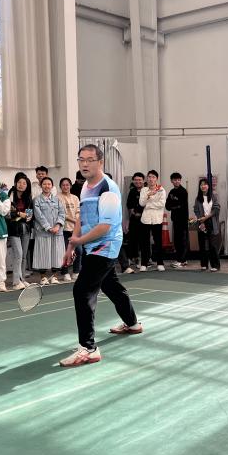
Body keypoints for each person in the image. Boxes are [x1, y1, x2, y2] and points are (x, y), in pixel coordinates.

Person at [59, 144, 142, 367]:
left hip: (105, 246)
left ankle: (88, 349)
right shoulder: (85, 187)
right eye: (81, 159)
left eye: (90, 160)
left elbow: (105, 227)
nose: (84, 164)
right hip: (91, 246)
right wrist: (72, 244)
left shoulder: (108, 189)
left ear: (100, 162)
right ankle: (132, 323)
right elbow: (81, 217)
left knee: (82, 290)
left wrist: (79, 242)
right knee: (111, 285)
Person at [32, 177, 66, 285]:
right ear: (41, 186)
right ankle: (43, 277)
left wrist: (57, 226)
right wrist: (48, 227)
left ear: (52, 186)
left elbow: (62, 213)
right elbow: (38, 216)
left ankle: (54, 276)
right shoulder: (37, 200)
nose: (47, 186)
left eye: (49, 184)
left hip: (57, 232)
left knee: (56, 254)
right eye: (44, 184)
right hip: (43, 232)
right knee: (43, 254)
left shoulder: (57, 200)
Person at [7, 173, 34, 290]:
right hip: (14, 229)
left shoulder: (28, 197)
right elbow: (8, 213)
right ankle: (16, 281)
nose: (21, 185)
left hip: (26, 229)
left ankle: (22, 279)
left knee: (23, 256)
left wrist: (25, 216)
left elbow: (29, 215)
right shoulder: (10, 195)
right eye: (19, 182)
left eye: (24, 183)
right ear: (15, 183)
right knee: (18, 254)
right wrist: (19, 213)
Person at [139, 170, 167, 271]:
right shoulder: (144, 190)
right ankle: (144, 264)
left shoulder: (161, 190)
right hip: (145, 219)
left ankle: (160, 263)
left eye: (153, 177)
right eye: (149, 177)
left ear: (156, 179)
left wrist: (149, 205)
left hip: (157, 219)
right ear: (147, 178)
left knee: (158, 242)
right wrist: (148, 195)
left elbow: (161, 204)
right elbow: (141, 203)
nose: (151, 179)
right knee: (144, 242)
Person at [193, 178, 221, 271]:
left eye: (205, 184)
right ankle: (204, 264)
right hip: (201, 222)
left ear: (208, 186)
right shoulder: (198, 198)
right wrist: (201, 220)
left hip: (211, 222)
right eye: (201, 184)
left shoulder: (213, 196)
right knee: (202, 244)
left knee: (212, 245)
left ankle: (215, 265)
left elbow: (217, 208)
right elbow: (196, 210)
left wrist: (207, 217)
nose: (203, 186)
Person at [58, 177, 82, 281]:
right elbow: (61, 213)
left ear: (70, 186)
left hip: (75, 229)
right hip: (63, 229)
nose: (65, 187)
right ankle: (65, 272)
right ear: (60, 186)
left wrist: (76, 220)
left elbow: (78, 211)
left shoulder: (75, 198)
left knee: (79, 251)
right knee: (65, 251)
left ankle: (76, 272)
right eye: (63, 185)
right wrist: (73, 220)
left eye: (67, 185)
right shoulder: (57, 197)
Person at [165, 172, 189, 268]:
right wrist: (174, 206)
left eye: (178, 180)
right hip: (175, 219)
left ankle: (182, 260)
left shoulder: (183, 191)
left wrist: (173, 206)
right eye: (175, 180)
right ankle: (181, 259)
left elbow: (181, 206)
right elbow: (167, 206)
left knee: (182, 240)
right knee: (177, 240)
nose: (177, 181)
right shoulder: (171, 192)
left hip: (182, 219)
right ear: (171, 181)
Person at [126, 173, 147, 270]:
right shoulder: (132, 191)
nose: (138, 181)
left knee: (144, 240)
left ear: (143, 180)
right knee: (133, 239)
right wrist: (134, 213)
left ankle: (144, 260)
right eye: (136, 180)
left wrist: (142, 214)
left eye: (140, 180)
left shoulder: (147, 191)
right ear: (133, 181)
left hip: (145, 219)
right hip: (134, 219)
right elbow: (129, 205)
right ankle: (133, 258)